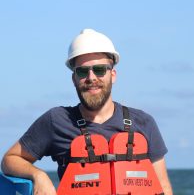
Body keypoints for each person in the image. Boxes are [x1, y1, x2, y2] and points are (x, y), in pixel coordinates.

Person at [1, 28, 173, 195]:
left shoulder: (144, 122)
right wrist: (38, 175)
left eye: (99, 70)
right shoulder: (56, 120)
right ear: (74, 78)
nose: (91, 78)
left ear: (113, 75)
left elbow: (163, 186)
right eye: (82, 71)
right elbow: (10, 159)